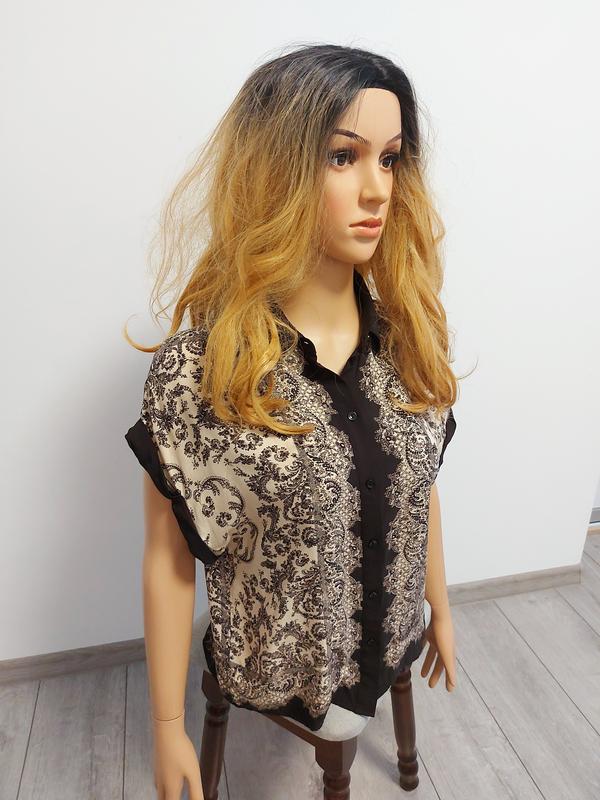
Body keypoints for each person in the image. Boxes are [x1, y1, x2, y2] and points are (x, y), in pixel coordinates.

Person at [123, 42, 462, 800]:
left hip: (395, 634)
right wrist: (167, 726)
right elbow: (170, 558)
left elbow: (420, 485)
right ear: (275, 171)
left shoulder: (408, 341)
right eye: (343, 157)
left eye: (390, 159)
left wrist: (440, 605)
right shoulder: (205, 373)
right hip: (279, 670)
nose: (377, 189)